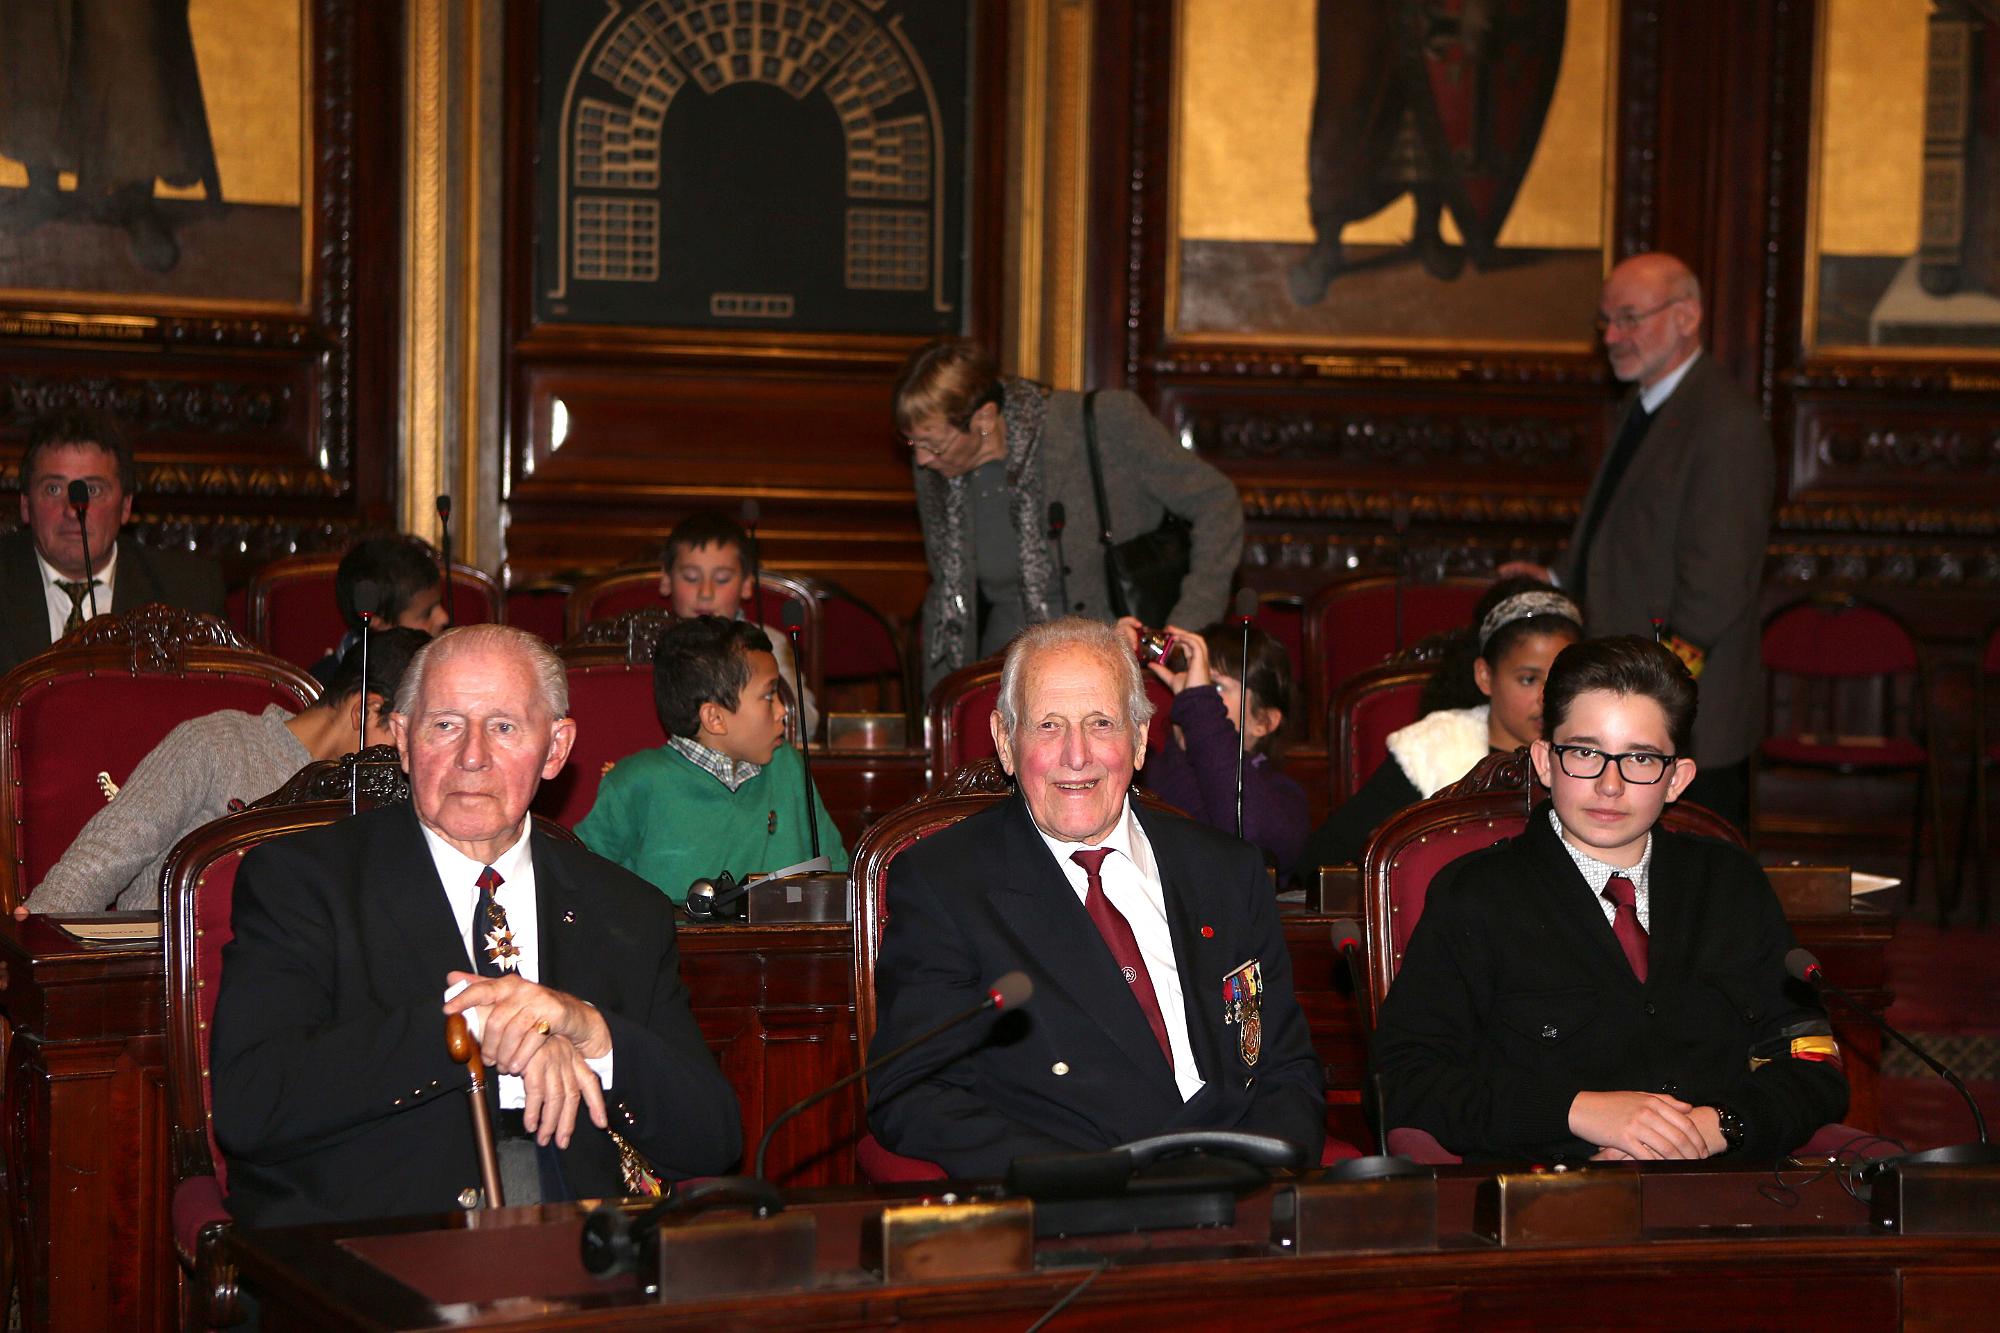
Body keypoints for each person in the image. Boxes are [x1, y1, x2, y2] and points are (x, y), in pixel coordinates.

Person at [211, 625, 740, 1226]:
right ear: (403, 741)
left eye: (505, 727)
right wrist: (472, 1029)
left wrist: (595, 1038)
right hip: (378, 1244)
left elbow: (711, 1140)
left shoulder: (624, 908)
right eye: (445, 724)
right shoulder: (305, 883)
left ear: (556, 749)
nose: (472, 755)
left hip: (575, 1256)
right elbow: (252, 1103)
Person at [866, 618, 1325, 1178]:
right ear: (1006, 742)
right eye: (1049, 726)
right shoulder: (945, 884)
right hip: (1074, 1206)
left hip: (1241, 1193)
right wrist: (1078, 1180)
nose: (1076, 755)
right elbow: (913, 1093)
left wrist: (1267, 1171)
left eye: (1101, 723)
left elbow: (1286, 1068)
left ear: (1138, 739)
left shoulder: (1226, 871)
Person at [1374, 637, 1848, 1164]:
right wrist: (1578, 1112)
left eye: (1641, 759)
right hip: (1542, 1204)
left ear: (1677, 778)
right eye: (1584, 753)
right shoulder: (1476, 895)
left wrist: (1718, 1126)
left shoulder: (1730, 884)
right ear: (1545, 763)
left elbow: (1814, 1064)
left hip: (1718, 1198)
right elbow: (1412, 1080)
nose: (1610, 784)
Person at [1501, 252, 1773, 832]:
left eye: (1629, 318)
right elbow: (1627, 537)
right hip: (1631, 701)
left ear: (1687, 316)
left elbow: (1716, 585)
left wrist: (1659, 692)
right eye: (1606, 322)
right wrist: (1553, 581)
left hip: (1683, 713)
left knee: (1692, 895)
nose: (1613, 337)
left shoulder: (1724, 422)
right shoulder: (1647, 404)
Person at [893, 340, 1244, 693]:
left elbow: (1217, 502)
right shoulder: (938, 474)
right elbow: (947, 600)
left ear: (983, 419)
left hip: (1116, 677)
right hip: (1005, 682)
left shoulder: (1104, 422)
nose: (922, 460)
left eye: (932, 444)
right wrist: (938, 709)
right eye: (913, 444)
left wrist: (1182, 629)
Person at [19, 628, 428, 917]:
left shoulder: (394, 791)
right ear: (367, 710)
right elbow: (105, 855)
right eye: (417, 731)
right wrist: (33, 935)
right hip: (162, 984)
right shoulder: (217, 743)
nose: (419, 755)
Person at [1296, 580, 1582, 872]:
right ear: (1485, 676)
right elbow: (1325, 857)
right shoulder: (1431, 749)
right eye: (1528, 680)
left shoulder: (1596, 749)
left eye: (1561, 678)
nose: (1547, 697)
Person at [578, 615, 847, 904]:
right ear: (715, 718)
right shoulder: (636, 782)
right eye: (769, 696)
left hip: (781, 944)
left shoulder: (788, 766)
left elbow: (838, 873)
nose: (783, 711)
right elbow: (578, 881)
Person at [0, 410, 224, 677]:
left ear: (126, 506)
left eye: (93, 490)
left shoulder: (189, 591)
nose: (73, 511)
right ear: (26, 505)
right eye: (53, 489)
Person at [1116, 616, 1311, 881]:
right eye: (1193, 677)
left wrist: (1199, 705)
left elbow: (1246, 836)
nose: (1193, 690)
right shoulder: (1147, 770)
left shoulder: (1284, 797)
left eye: (1216, 686)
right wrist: (1114, 660)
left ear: (1264, 722)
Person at [656, 510, 818, 739]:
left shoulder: (769, 643)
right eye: (691, 578)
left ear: (746, 584)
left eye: (722, 579)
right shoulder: (648, 642)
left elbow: (803, 724)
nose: (705, 593)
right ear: (666, 580)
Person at [309, 537, 450, 684]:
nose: (443, 617)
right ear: (376, 620)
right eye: (426, 613)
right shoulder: (326, 688)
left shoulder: (448, 669)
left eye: (440, 604)